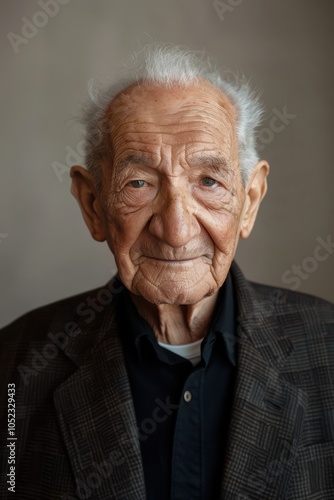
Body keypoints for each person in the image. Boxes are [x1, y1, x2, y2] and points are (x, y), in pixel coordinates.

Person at [1, 44, 333, 500]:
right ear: (93, 205)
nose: (175, 231)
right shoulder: (14, 369)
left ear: (250, 202)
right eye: (139, 183)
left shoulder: (329, 346)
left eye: (209, 181)